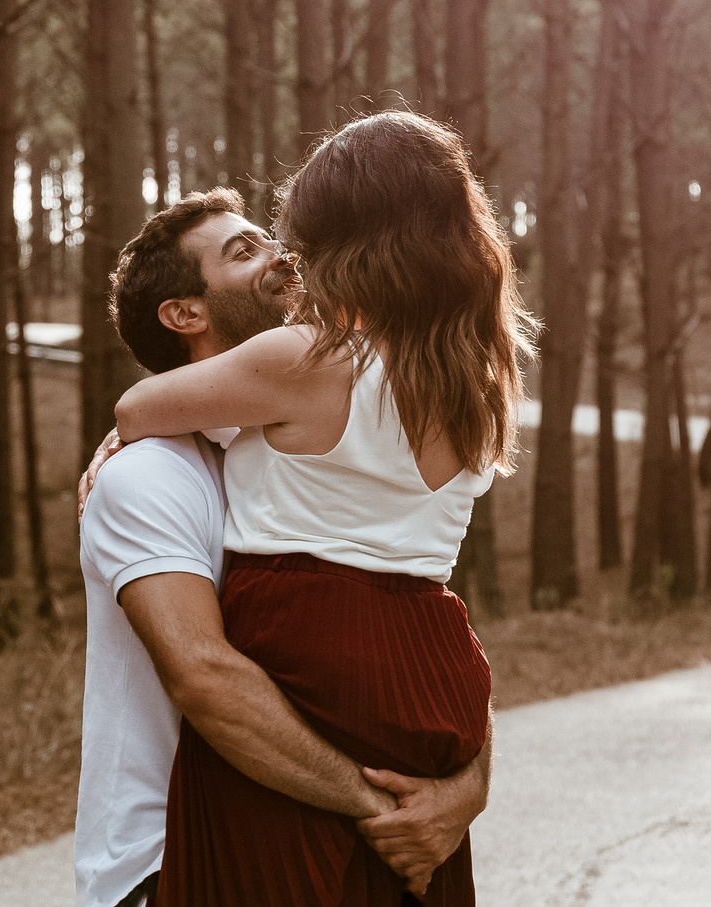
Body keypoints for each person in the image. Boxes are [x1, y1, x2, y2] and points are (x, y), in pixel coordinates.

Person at [114, 111, 531, 907]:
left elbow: (139, 406)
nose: (289, 257)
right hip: (431, 669)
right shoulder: (479, 384)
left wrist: (113, 442)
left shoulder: (302, 361)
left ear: (344, 245)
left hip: (308, 663)